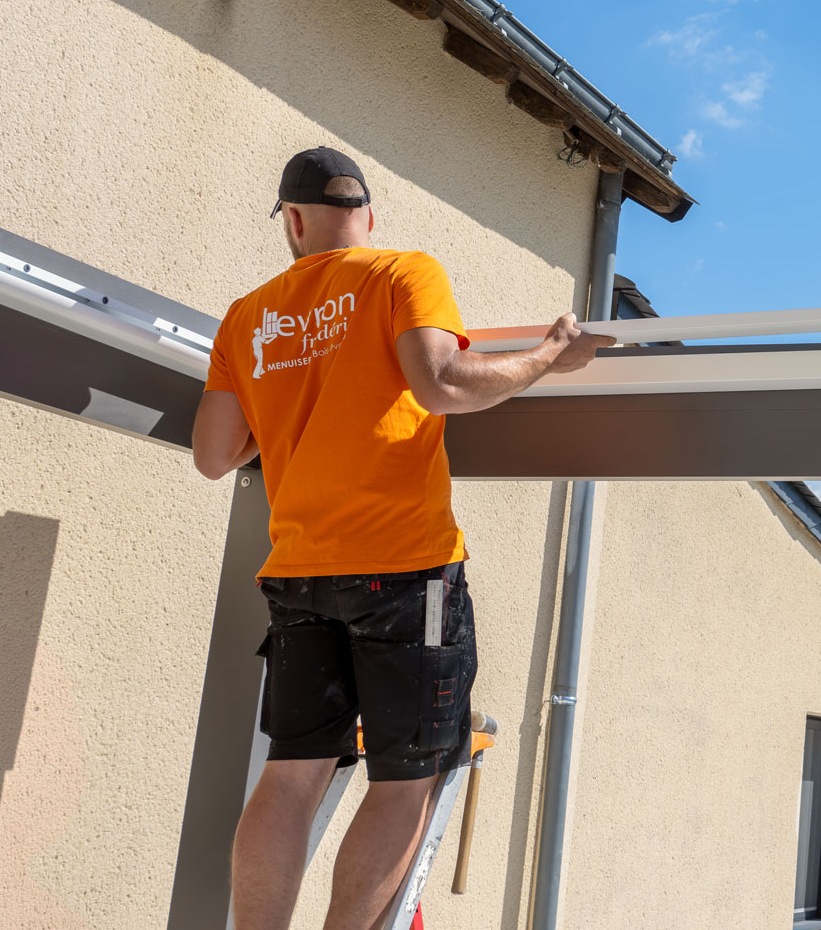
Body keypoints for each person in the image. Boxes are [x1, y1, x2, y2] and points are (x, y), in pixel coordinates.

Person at [191, 146, 614, 930]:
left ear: (293, 221)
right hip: (404, 570)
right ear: (368, 217)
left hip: (299, 578)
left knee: (290, 778)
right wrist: (554, 355)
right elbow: (444, 382)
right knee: (406, 777)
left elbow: (216, 454)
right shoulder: (401, 272)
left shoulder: (248, 316)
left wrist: (288, 404)